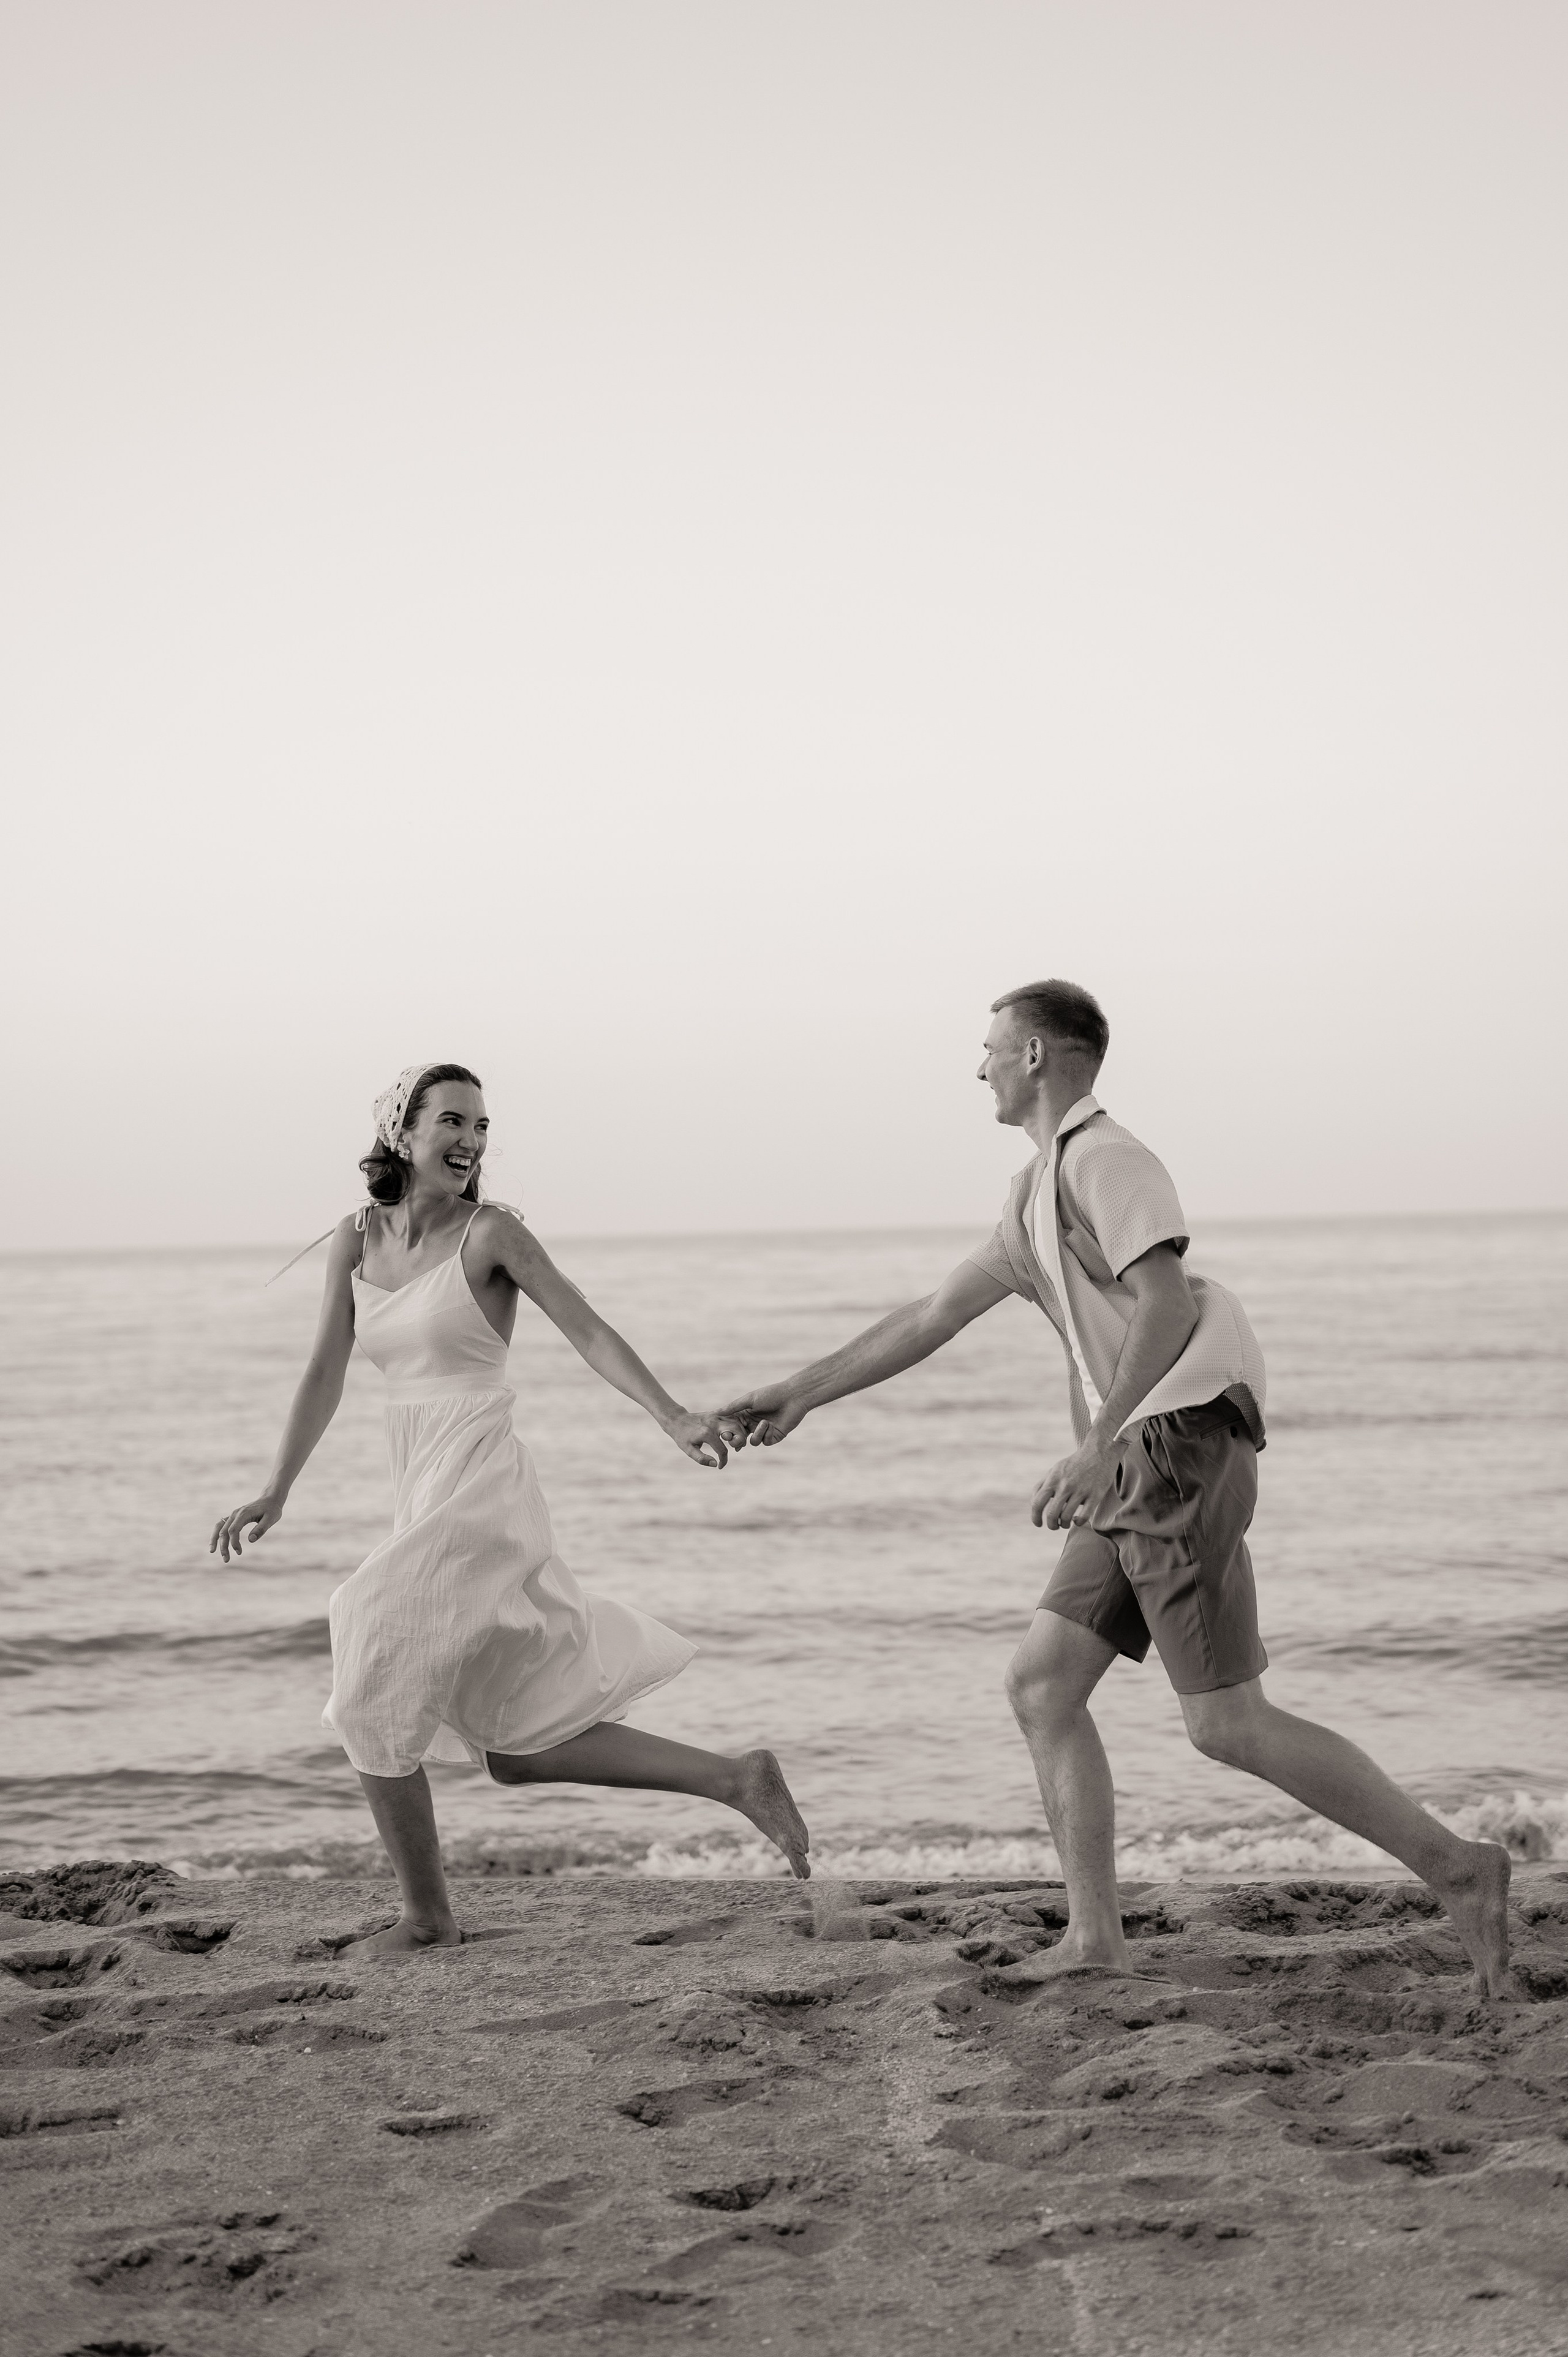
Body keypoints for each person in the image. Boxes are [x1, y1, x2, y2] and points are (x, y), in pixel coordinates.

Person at [722, 981, 1512, 1998]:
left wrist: (1098, 1441)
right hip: (1138, 1457)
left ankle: (1461, 1869)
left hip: (1167, 1450)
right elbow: (930, 1315)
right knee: (1043, 1687)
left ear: (1040, 1055)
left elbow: (1166, 1299)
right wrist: (798, 1395)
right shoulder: (1034, 1194)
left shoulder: (1107, 1160)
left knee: (1226, 1724)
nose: (981, 1067)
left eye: (992, 1048)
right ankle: (1096, 1936)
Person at [211, 1062, 809, 1956]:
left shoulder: (490, 1236)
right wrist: (277, 1487)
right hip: (420, 1485)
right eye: (453, 1121)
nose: (472, 1142)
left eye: (483, 1128)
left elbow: (590, 1330)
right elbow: (324, 1372)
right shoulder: (356, 1240)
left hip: (482, 1483)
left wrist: (671, 1414)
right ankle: (737, 1778)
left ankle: (426, 1919)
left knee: (364, 1636)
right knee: (515, 1747)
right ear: (401, 1132)